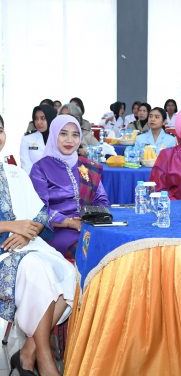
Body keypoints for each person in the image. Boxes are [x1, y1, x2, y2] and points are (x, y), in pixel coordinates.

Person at [0, 114, 75, 376]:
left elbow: (40, 214)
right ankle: (43, 357)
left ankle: (28, 351)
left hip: (23, 245)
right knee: (36, 269)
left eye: (0, 129)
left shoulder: (14, 173)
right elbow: (18, 223)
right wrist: (11, 226)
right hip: (4, 253)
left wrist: (26, 233)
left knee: (70, 274)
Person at [30, 115, 109, 259]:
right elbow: (39, 209)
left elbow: (101, 199)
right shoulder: (40, 168)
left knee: (112, 244)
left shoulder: (87, 166)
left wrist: (93, 218)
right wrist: (70, 223)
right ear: (54, 135)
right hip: (55, 229)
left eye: (75, 135)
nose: (69, 140)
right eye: (63, 133)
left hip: (88, 225)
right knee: (90, 250)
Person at [20, 105, 57, 174]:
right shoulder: (27, 138)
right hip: (33, 178)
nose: (39, 122)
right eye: (36, 119)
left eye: (43, 118)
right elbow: (25, 164)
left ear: (50, 118)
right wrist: (37, 178)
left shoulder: (58, 138)